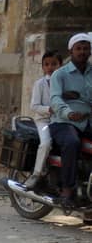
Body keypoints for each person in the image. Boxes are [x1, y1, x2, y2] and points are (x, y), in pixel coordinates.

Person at [48, 32, 92, 207]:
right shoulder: (60, 74)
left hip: (88, 120)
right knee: (72, 142)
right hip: (64, 122)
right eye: (78, 48)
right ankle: (67, 190)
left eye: (86, 48)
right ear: (71, 51)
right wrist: (69, 113)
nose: (82, 52)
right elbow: (55, 99)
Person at [24, 51, 63, 190]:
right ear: (43, 67)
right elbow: (34, 106)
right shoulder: (39, 84)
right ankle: (36, 174)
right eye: (46, 64)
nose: (50, 67)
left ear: (60, 65)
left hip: (60, 121)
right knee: (46, 143)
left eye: (54, 64)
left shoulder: (64, 83)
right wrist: (48, 109)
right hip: (43, 121)